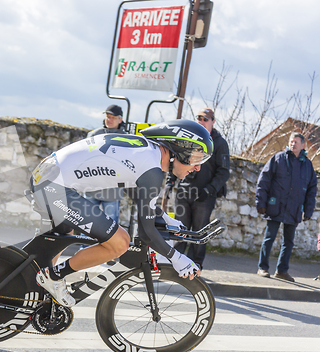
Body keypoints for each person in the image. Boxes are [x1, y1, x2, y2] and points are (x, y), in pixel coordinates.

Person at [31, 119, 214, 307]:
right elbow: (146, 233)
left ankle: (30, 290)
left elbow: (140, 199)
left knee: (56, 242)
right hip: (54, 186)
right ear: (179, 151)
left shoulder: (145, 152)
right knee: (119, 243)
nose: (198, 167)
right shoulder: (152, 170)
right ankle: (52, 277)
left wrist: (165, 218)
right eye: (196, 158)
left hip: (48, 178)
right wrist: (177, 258)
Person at [164, 108, 230, 271]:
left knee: (199, 233)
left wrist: (209, 190)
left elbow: (223, 171)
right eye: (199, 118)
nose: (201, 121)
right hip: (184, 192)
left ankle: (195, 265)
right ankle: (177, 264)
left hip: (204, 196)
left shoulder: (220, 143)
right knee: (179, 230)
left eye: (205, 119)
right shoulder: (189, 137)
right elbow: (176, 159)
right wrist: (170, 182)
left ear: (213, 122)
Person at [256, 132, 317, 282]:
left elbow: (311, 190)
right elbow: (263, 181)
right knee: (269, 237)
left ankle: (282, 271)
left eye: (296, 142)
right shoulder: (278, 158)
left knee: (288, 241)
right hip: (275, 205)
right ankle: (262, 268)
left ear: (303, 145)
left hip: (294, 208)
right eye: (291, 141)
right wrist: (261, 202)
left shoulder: (307, 165)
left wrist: (308, 210)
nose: (293, 144)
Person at [83, 104, 128, 225]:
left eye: (113, 117)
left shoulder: (126, 139)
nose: (110, 120)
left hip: (112, 192)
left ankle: (107, 245)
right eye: (108, 116)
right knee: (87, 225)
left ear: (120, 119)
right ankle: (86, 245)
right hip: (91, 187)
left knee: (110, 227)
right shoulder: (94, 135)